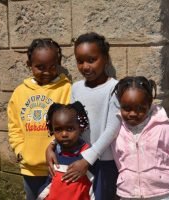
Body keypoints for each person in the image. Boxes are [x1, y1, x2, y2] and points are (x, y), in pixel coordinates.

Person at [46, 32, 121, 200]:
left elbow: (112, 129)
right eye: (80, 61)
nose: (85, 66)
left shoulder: (114, 88)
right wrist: (51, 146)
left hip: (104, 162)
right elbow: (69, 122)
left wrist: (88, 160)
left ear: (105, 58)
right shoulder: (77, 88)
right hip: (76, 158)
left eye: (92, 60)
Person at [7, 38, 71, 200]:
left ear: (58, 63)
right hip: (31, 168)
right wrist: (20, 149)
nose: (47, 72)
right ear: (29, 64)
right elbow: (14, 125)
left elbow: (73, 125)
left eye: (52, 67)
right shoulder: (20, 92)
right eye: (40, 67)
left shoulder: (67, 90)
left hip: (59, 166)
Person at [111, 76, 169, 200]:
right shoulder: (117, 130)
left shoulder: (167, 127)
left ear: (149, 104)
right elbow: (118, 160)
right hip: (129, 195)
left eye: (140, 109)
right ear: (120, 104)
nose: (132, 114)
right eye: (126, 108)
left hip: (162, 194)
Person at [37, 101, 94, 200]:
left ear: (80, 128)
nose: (64, 134)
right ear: (52, 130)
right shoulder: (54, 154)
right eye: (58, 129)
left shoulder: (88, 156)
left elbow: (95, 187)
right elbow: (50, 183)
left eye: (70, 129)